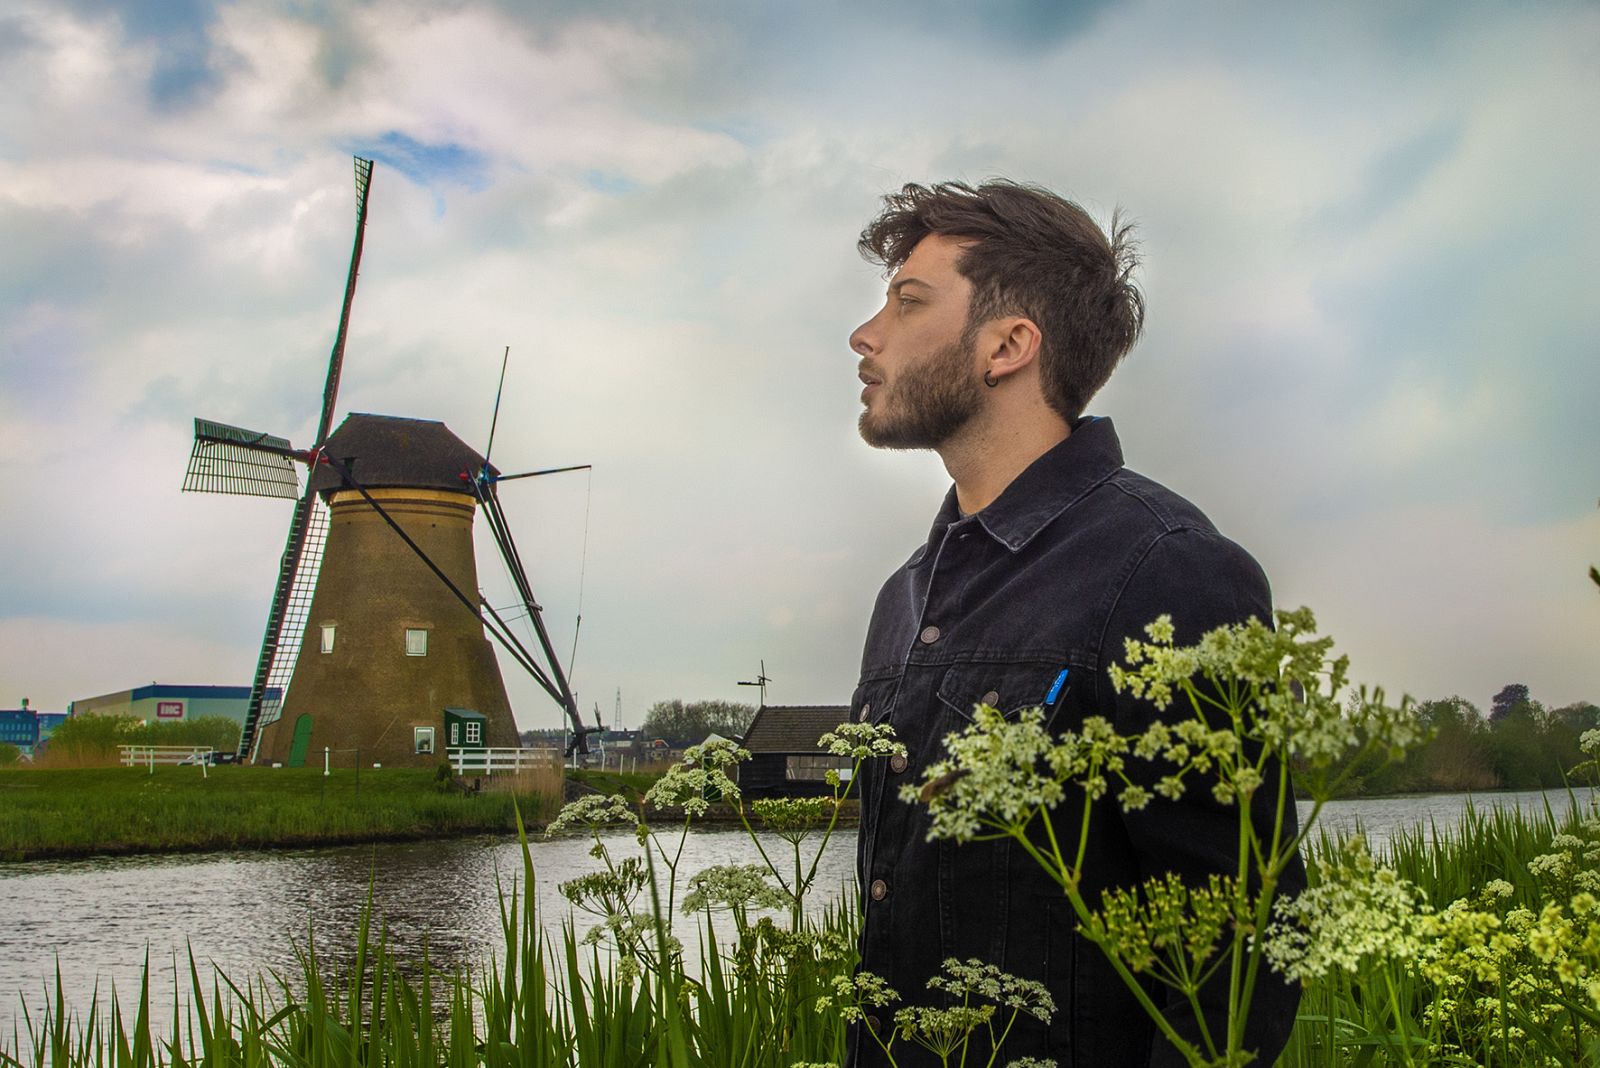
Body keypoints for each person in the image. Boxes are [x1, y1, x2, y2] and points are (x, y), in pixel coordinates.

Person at [845, 180, 1304, 1066]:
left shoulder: (1168, 570)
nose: (867, 335)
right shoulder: (901, 599)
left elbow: (1245, 956)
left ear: (1008, 346)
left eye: (908, 302)